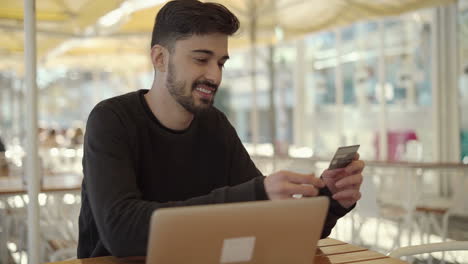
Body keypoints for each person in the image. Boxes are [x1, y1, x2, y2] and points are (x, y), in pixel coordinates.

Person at [78, 0, 365, 258]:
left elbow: (271, 222)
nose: (215, 75)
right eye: (201, 60)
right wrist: (255, 193)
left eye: (221, 62)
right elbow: (121, 232)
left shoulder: (215, 125)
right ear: (160, 58)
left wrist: (331, 201)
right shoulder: (111, 119)